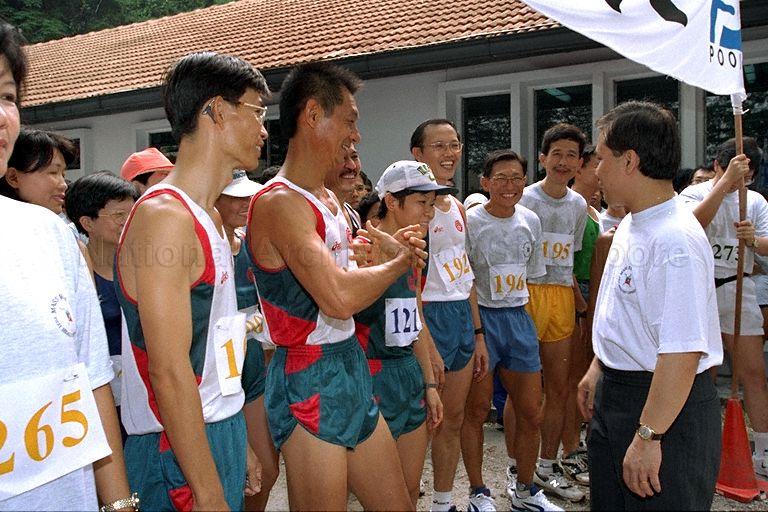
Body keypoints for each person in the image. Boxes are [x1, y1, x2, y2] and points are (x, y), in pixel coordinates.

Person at [246, 61, 423, 511]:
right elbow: (339, 297)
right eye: (349, 120)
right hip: (308, 372)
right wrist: (397, 264)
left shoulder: (328, 200)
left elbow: (346, 283)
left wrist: (374, 261)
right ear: (311, 115)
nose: (356, 135)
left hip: (349, 363)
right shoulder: (280, 202)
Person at [115, 51, 268, 510]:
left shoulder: (209, 218)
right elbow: (168, 370)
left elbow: (213, 347)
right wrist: (206, 491)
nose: (264, 128)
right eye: (258, 111)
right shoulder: (166, 217)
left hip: (212, 429)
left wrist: (237, 439)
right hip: (174, 446)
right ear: (218, 111)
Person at [0, 21, 133, 511]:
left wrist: (119, 504)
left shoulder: (53, 236)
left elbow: (92, 379)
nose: (0, 116)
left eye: (8, 96)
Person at [578, 100, 723, 510]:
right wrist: (598, 367)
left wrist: (649, 436)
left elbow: (681, 351)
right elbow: (625, 312)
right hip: (620, 395)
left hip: (663, 409)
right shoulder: (633, 222)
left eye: (602, 159)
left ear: (630, 161)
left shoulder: (674, 240)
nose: (595, 171)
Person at [464, 149, 562, 512]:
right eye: (501, 178)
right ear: (485, 183)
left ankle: (524, 488)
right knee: (476, 411)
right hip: (482, 320)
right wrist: (476, 332)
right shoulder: (471, 221)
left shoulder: (530, 220)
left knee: (531, 411)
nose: (510, 185)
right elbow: (466, 279)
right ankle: (477, 492)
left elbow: (532, 274)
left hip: (519, 318)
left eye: (517, 178)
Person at [355, 160, 447, 507]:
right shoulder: (364, 244)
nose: (430, 213)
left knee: (409, 490)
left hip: (407, 373)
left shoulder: (416, 248)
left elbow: (415, 319)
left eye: (433, 204)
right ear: (392, 202)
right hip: (371, 373)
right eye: (422, 203)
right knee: (382, 497)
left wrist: (430, 385)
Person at [410, 118, 489, 512]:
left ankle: (443, 501)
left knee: (453, 418)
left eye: (454, 145)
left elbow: (466, 273)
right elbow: (407, 284)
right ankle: (405, 498)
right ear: (418, 154)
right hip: (427, 317)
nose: (449, 153)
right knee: (422, 420)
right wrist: (424, 340)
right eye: (438, 146)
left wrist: (477, 333)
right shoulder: (412, 208)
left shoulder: (457, 205)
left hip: (460, 315)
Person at [679, 136, 768, 477]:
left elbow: (765, 244)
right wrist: (724, 183)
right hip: (698, 288)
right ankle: (697, 444)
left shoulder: (756, 202)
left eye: (746, 177)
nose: (739, 183)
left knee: (753, 373)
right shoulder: (695, 193)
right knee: (700, 372)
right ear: (717, 165)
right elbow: (690, 224)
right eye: (732, 171)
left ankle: (762, 450)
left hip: (737, 286)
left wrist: (753, 241)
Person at [518, 123, 587, 503]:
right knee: (523, 389)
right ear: (543, 157)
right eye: (556, 153)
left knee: (560, 385)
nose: (563, 162)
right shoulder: (525, 199)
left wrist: (578, 304)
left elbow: (570, 263)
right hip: (525, 293)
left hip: (560, 295)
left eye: (571, 155)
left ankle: (547, 463)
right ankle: (520, 463)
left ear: (580, 163)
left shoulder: (579, 206)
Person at [214, 169, 280, 511]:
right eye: (235, 196)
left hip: (254, 359)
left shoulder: (250, 241)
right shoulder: (204, 244)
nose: (245, 202)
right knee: (233, 469)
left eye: (248, 195)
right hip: (220, 367)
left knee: (267, 470)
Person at [65, 170, 140, 440]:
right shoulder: (75, 277)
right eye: (119, 215)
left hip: (142, 393)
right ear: (87, 222)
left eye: (132, 213)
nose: (128, 222)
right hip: (100, 396)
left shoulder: (143, 267)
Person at [560, 144, 601, 485]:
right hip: (576, 295)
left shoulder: (594, 212)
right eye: (597, 163)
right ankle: (569, 447)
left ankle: (583, 441)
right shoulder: (572, 208)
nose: (602, 170)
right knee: (572, 376)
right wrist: (580, 304)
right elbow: (565, 264)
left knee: (589, 372)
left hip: (593, 294)